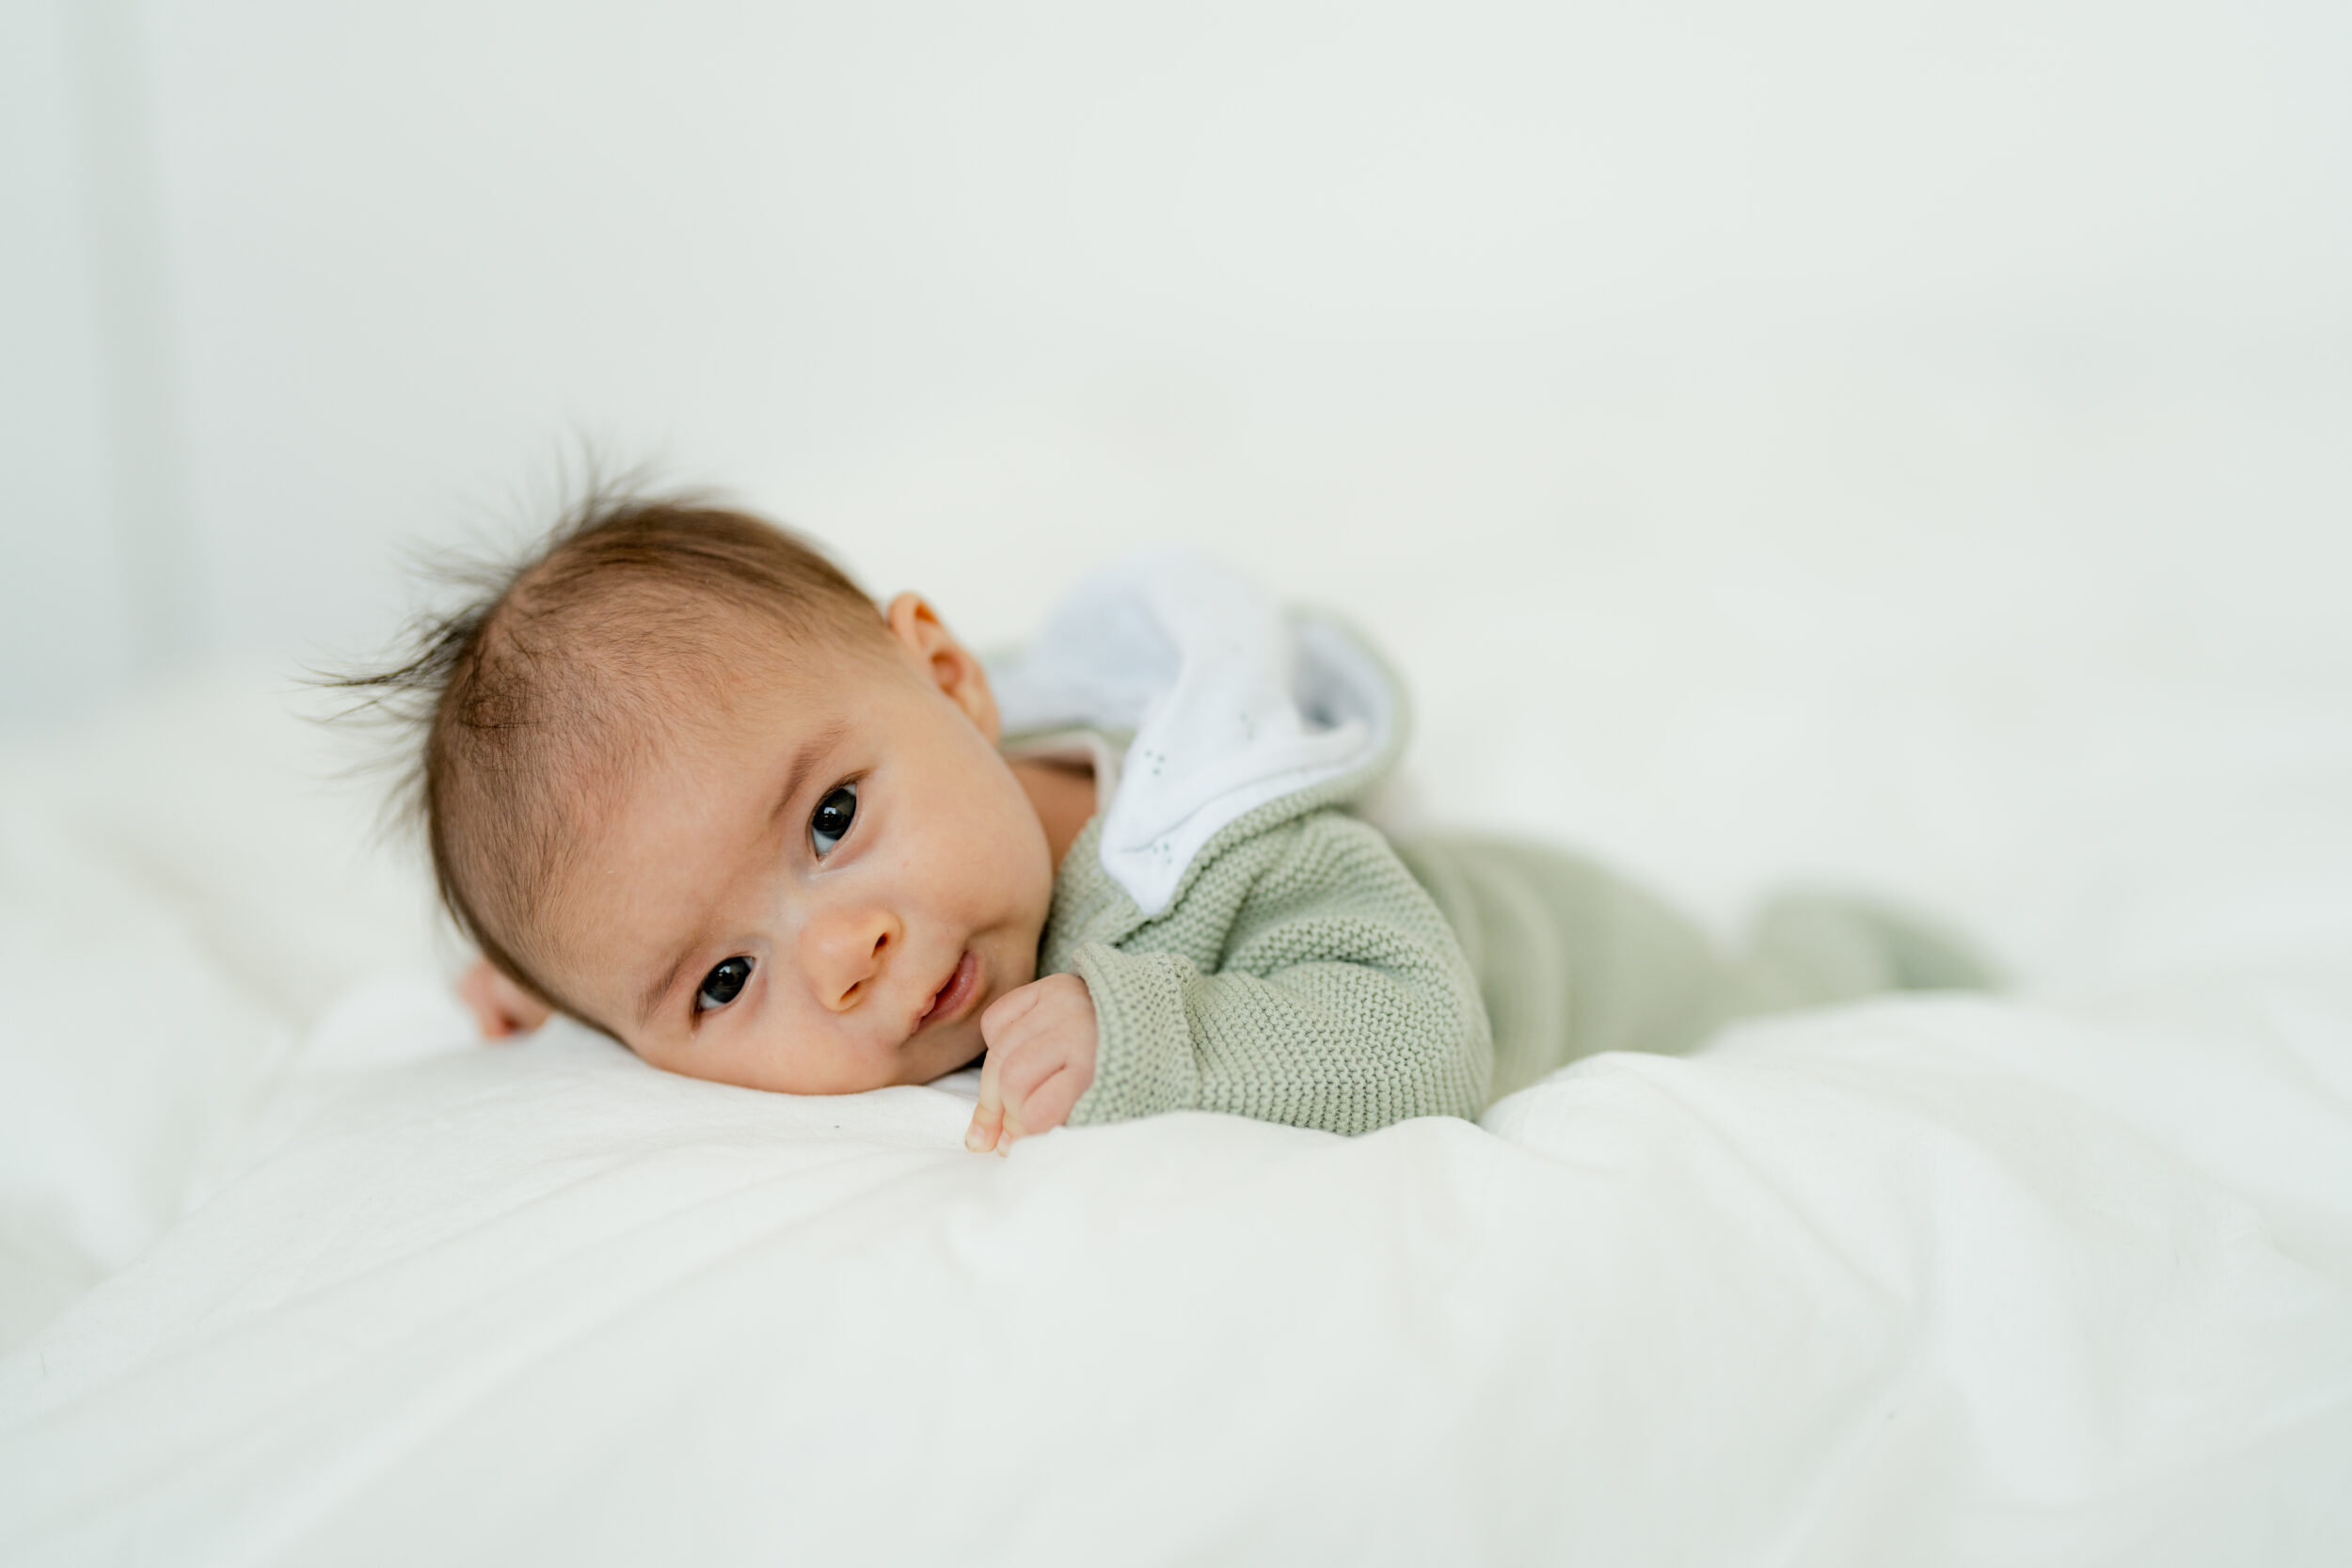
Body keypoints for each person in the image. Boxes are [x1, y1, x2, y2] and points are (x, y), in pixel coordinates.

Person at [346, 490, 1992, 1154]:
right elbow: (654, 884)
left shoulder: (1215, 842)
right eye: (718, 986)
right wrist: (559, 983)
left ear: (947, 677)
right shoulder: (896, 792)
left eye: (833, 819)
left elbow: (1420, 1039)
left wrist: (1160, 1035)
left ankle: (1859, 939)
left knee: (1789, 989)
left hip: (1589, 963)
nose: (840, 953)